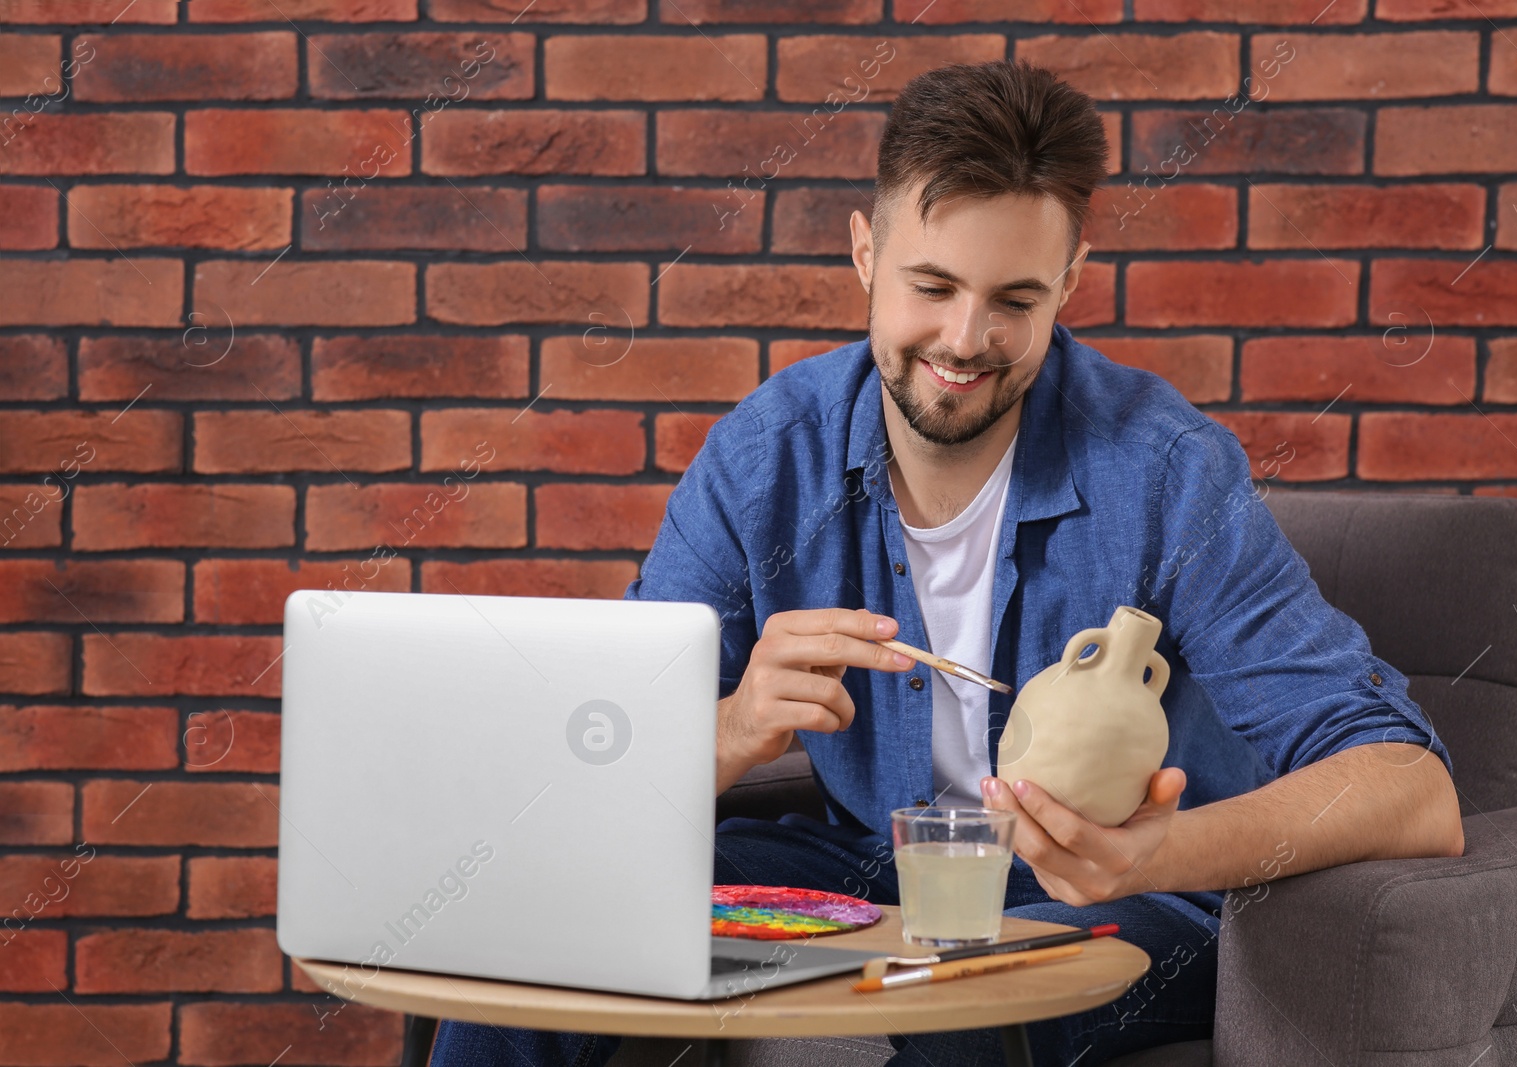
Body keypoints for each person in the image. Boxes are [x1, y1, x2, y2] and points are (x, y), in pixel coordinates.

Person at [431, 58, 1463, 1067]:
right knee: (550, 916)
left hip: (1121, 899)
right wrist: (738, 724)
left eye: (1014, 299)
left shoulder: (1164, 470)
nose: (966, 340)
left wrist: (1153, 851)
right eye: (931, 285)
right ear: (864, 254)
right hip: (868, 864)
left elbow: (1411, 791)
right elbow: (589, 774)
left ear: (1069, 282)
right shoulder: (765, 457)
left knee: (963, 993)